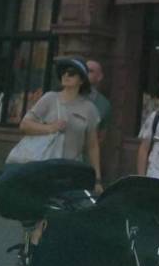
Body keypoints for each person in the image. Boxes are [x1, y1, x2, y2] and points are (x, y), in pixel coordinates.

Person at [15, 56, 103, 190]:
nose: (66, 75)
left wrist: (97, 180)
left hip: (71, 173)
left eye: (71, 73)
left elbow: (92, 146)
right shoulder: (50, 98)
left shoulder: (89, 109)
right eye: (63, 72)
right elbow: (25, 125)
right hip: (45, 168)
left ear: (81, 80)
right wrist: (50, 128)